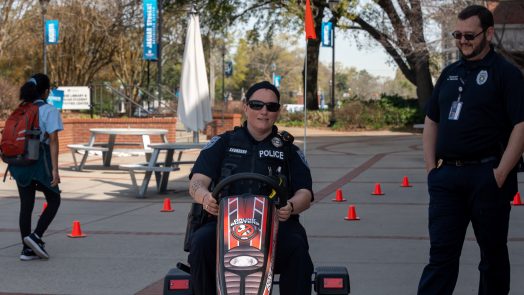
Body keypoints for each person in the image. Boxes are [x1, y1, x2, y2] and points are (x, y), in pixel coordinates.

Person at [418, 5, 524, 295]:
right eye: (457, 35)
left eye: (469, 35)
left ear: (488, 33)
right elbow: (432, 120)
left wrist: (501, 173)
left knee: (492, 257)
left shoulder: (506, 74)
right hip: (447, 178)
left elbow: (521, 125)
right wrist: (431, 170)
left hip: (487, 177)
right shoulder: (450, 73)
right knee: (440, 257)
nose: (462, 41)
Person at [187, 81, 314, 294]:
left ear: (278, 111)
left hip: (276, 225)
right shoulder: (222, 143)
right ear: (245, 107)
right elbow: (196, 182)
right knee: (200, 243)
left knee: (297, 247)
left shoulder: (289, 150)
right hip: (223, 224)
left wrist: (291, 206)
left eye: (271, 107)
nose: (264, 111)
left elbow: (305, 193)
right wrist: (205, 197)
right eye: (257, 105)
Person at [9, 73, 63, 261]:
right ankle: (36, 236)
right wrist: (55, 170)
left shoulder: (21, 109)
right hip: (39, 163)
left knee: (26, 205)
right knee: (54, 199)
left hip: (19, 162)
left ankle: (27, 250)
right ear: (46, 91)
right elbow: (54, 140)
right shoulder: (50, 111)